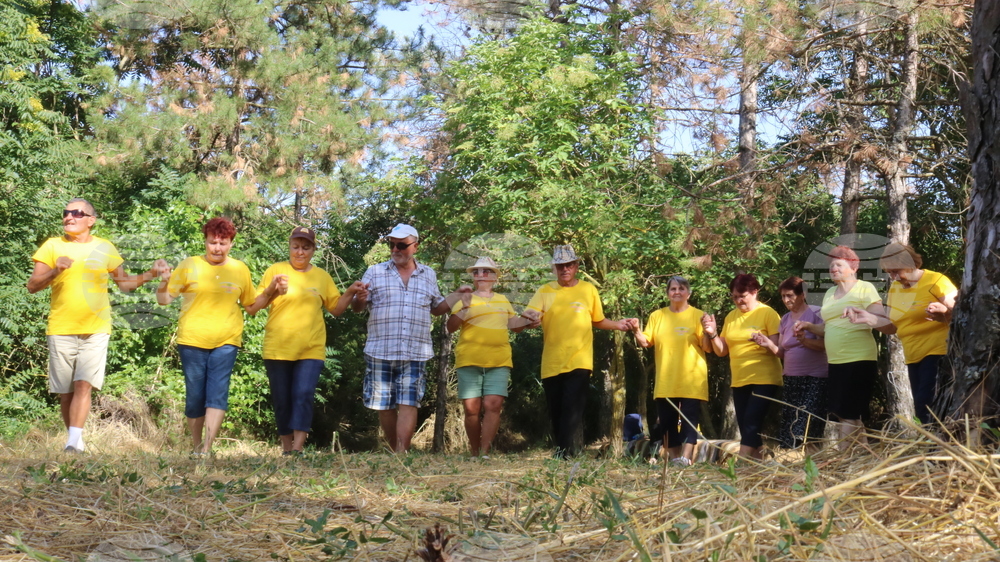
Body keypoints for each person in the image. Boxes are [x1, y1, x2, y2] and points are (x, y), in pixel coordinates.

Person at [27, 198, 170, 453]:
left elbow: (125, 284)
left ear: (91, 220)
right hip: (61, 328)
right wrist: (55, 271)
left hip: (96, 328)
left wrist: (151, 273)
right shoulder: (52, 246)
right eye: (66, 212)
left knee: (84, 383)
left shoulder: (104, 247)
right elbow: (32, 286)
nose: (69, 217)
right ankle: (75, 439)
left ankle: (72, 443)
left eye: (77, 213)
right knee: (65, 393)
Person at [351, 224, 470, 453]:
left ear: (415, 246)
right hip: (380, 349)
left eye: (401, 245)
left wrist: (457, 295)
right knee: (384, 405)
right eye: (392, 244)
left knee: (409, 401)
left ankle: (401, 452)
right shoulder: (374, 272)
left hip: (415, 350)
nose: (395, 249)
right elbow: (357, 307)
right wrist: (360, 298)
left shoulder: (428, 274)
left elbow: (437, 308)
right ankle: (395, 448)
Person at [246, 226, 365, 455]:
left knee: (303, 395)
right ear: (289, 246)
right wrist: (272, 288)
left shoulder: (321, 276)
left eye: (306, 247)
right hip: (277, 348)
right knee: (281, 399)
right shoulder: (275, 270)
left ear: (313, 250)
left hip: (311, 349)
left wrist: (350, 292)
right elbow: (254, 307)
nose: (300, 252)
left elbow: (336, 309)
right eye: (296, 246)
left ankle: (298, 449)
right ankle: (286, 448)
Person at [157, 217, 258, 458]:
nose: (217, 248)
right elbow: (164, 300)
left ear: (231, 244)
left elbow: (251, 305)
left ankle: (207, 448)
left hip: (227, 340)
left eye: (223, 243)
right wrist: (163, 281)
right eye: (213, 242)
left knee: (218, 393)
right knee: (195, 396)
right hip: (192, 340)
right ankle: (195, 446)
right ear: (205, 242)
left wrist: (274, 291)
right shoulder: (189, 265)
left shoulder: (240, 269)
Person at [522, 244, 632, 458]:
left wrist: (618, 325)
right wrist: (530, 318)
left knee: (573, 408)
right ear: (554, 268)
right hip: (552, 360)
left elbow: (598, 320)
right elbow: (530, 314)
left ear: (576, 266)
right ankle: (562, 450)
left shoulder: (588, 290)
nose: (565, 269)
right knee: (556, 410)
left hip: (580, 359)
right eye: (560, 266)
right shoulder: (545, 290)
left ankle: (562, 452)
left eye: (569, 265)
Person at [844, 243, 958, 424]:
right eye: (890, 273)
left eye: (896, 271)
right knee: (921, 408)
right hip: (912, 357)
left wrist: (944, 311)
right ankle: (931, 440)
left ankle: (938, 441)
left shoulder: (936, 280)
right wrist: (867, 317)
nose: (894, 277)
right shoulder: (895, 288)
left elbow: (961, 311)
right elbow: (892, 326)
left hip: (938, 352)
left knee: (928, 406)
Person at [795, 246, 887, 449]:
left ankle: (842, 459)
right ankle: (863, 459)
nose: (833, 269)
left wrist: (864, 316)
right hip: (836, 360)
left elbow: (883, 320)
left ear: (854, 267)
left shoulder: (865, 288)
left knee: (848, 413)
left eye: (838, 265)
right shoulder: (829, 293)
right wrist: (808, 326)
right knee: (845, 414)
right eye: (831, 266)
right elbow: (828, 328)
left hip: (859, 358)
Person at [446, 256, 528, 458]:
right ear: (473, 277)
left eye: (486, 271)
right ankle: (474, 452)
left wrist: (528, 320)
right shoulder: (465, 298)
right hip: (469, 359)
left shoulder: (503, 300)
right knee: (471, 409)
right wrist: (465, 308)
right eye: (476, 272)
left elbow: (514, 326)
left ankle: (484, 453)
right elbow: (451, 327)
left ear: (494, 277)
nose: (480, 275)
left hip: (499, 360)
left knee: (494, 406)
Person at [629, 276, 712, 466]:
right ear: (667, 293)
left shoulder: (699, 315)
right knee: (667, 423)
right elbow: (645, 342)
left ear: (688, 293)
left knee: (689, 420)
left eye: (681, 289)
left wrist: (708, 331)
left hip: (692, 378)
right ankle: (675, 460)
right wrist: (635, 330)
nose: (677, 292)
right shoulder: (657, 316)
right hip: (666, 380)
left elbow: (707, 348)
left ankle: (686, 458)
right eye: (673, 289)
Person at [702, 273, 782, 460]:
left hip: (765, 378)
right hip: (740, 379)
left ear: (755, 292)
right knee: (747, 425)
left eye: (742, 296)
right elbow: (722, 351)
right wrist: (712, 334)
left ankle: (741, 464)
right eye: (735, 297)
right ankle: (761, 463)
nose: (738, 301)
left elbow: (778, 348)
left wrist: (765, 342)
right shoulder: (731, 317)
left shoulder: (768, 313)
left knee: (752, 422)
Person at [753, 276, 828, 452]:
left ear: (803, 294)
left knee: (808, 424)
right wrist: (767, 344)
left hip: (815, 378)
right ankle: (793, 462)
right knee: (791, 424)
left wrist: (805, 340)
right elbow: (782, 352)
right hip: (792, 379)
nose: (786, 300)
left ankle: (814, 461)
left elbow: (826, 344)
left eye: (790, 295)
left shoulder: (816, 313)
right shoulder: (785, 319)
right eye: (783, 296)